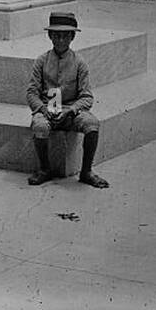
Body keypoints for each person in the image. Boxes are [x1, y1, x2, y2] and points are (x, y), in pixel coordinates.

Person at [26, 11, 109, 188]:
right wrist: (42, 109)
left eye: (65, 36)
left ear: (72, 37)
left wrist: (71, 110)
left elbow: (87, 97)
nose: (60, 40)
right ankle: (45, 169)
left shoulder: (79, 62)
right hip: (47, 109)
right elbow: (32, 93)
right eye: (56, 36)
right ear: (50, 36)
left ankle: (86, 171)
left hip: (71, 111)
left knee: (92, 124)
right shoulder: (41, 61)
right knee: (39, 126)